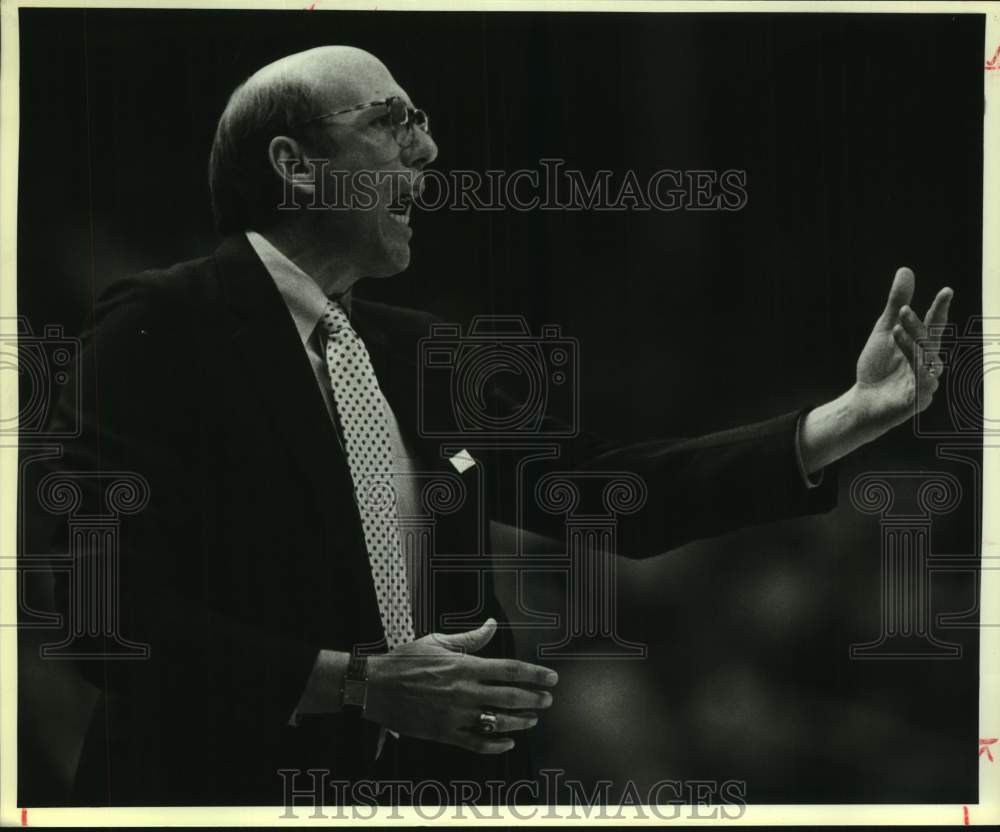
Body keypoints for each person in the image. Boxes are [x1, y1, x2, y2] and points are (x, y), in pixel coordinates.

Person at [38, 45, 953, 806]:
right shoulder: (162, 324)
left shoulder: (427, 351)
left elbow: (613, 496)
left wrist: (845, 419)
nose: (429, 151)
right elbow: (97, 615)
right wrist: (354, 685)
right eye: (393, 121)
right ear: (293, 163)